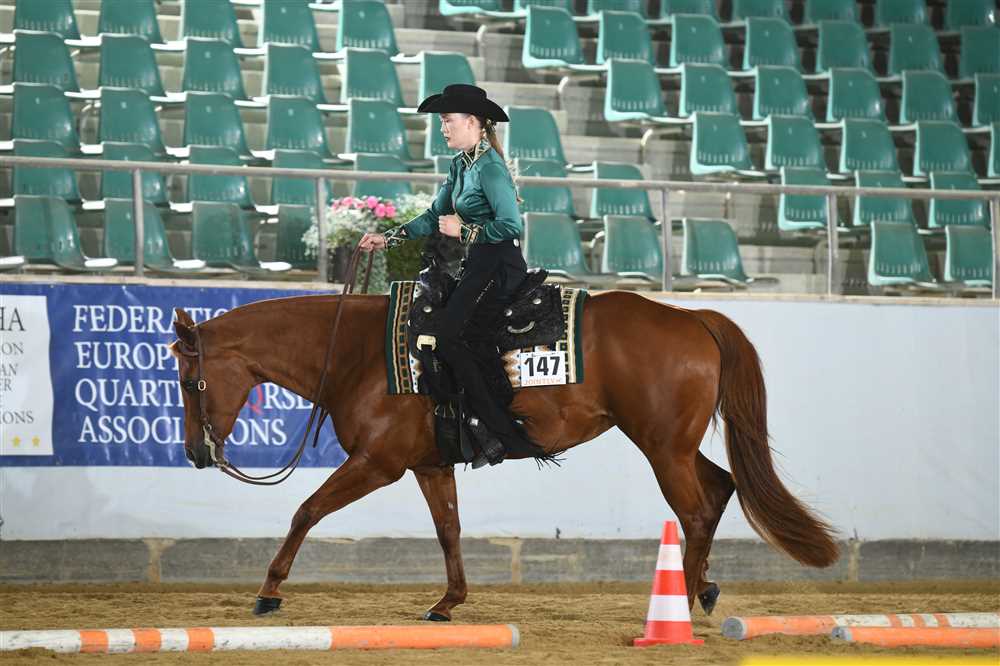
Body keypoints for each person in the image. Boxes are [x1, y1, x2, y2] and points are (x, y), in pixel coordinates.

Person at [359, 84, 543, 466]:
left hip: (499, 264)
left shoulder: (489, 167)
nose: (442, 128)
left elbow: (511, 225)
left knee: (448, 336)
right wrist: (388, 238)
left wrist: (465, 231)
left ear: (473, 122)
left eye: (447, 121)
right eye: (442, 121)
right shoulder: (461, 164)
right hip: (478, 263)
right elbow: (433, 215)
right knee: (443, 333)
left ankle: (500, 433)